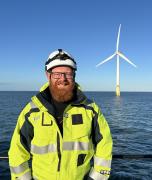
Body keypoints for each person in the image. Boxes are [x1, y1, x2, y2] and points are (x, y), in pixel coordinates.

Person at [8, 49, 113, 180]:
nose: (63, 79)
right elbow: (17, 151)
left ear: (74, 75)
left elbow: (105, 145)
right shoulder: (32, 111)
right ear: (48, 75)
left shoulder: (91, 110)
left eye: (68, 74)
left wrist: (96, 178)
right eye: (57, 74)